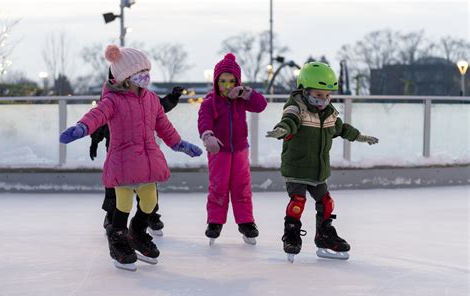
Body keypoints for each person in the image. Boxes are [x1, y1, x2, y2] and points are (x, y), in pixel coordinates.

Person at [60, 45, 202, 271]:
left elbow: (163, 126)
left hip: (148, 160)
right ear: (125, 78)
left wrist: (180, 144)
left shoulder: (152, 99)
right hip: (123, 160)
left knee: (150, 202)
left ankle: (136, 233)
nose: (145, 77)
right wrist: (81, 128)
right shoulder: (113, 101)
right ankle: (118, 240)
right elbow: (97, 115)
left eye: (147, 72)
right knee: (123, 204)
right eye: (140, 73)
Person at [266, 61, 379, 261]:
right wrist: (282, 130)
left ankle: (324, 235)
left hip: (318, 170)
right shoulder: (296, 108)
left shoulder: (328, 113)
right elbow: (289, 121)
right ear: (304, 90)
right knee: (297, 202)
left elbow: (342, 128)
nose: (323, 100)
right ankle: (291, 233)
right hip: (297, 168)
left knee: (326, 202)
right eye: (318, 95)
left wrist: (359, 136)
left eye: (327, 95)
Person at [90, 68, 186, 236]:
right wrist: (95, 140)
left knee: (148, 181)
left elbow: (159, 109)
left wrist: (172, 98)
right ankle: (112, 216)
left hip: (141, 149)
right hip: (117, 148)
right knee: (117, 186)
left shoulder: (143, 95)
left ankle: (150, 215)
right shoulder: (111, 98)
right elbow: (99, 119)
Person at [197, 53, 267, 245]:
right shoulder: (210, 102)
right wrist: (208, 136)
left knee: (241, 186)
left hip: (240, 150)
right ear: (216, 82)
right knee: (218, 186)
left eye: (231, 80)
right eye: (222, 80)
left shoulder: (241, 100)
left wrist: (246, 92)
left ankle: (246, 222)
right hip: (219, 151)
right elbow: (204, 120)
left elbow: (261, 105)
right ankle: (215, 221)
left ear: (237, 81)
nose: (227, 84)